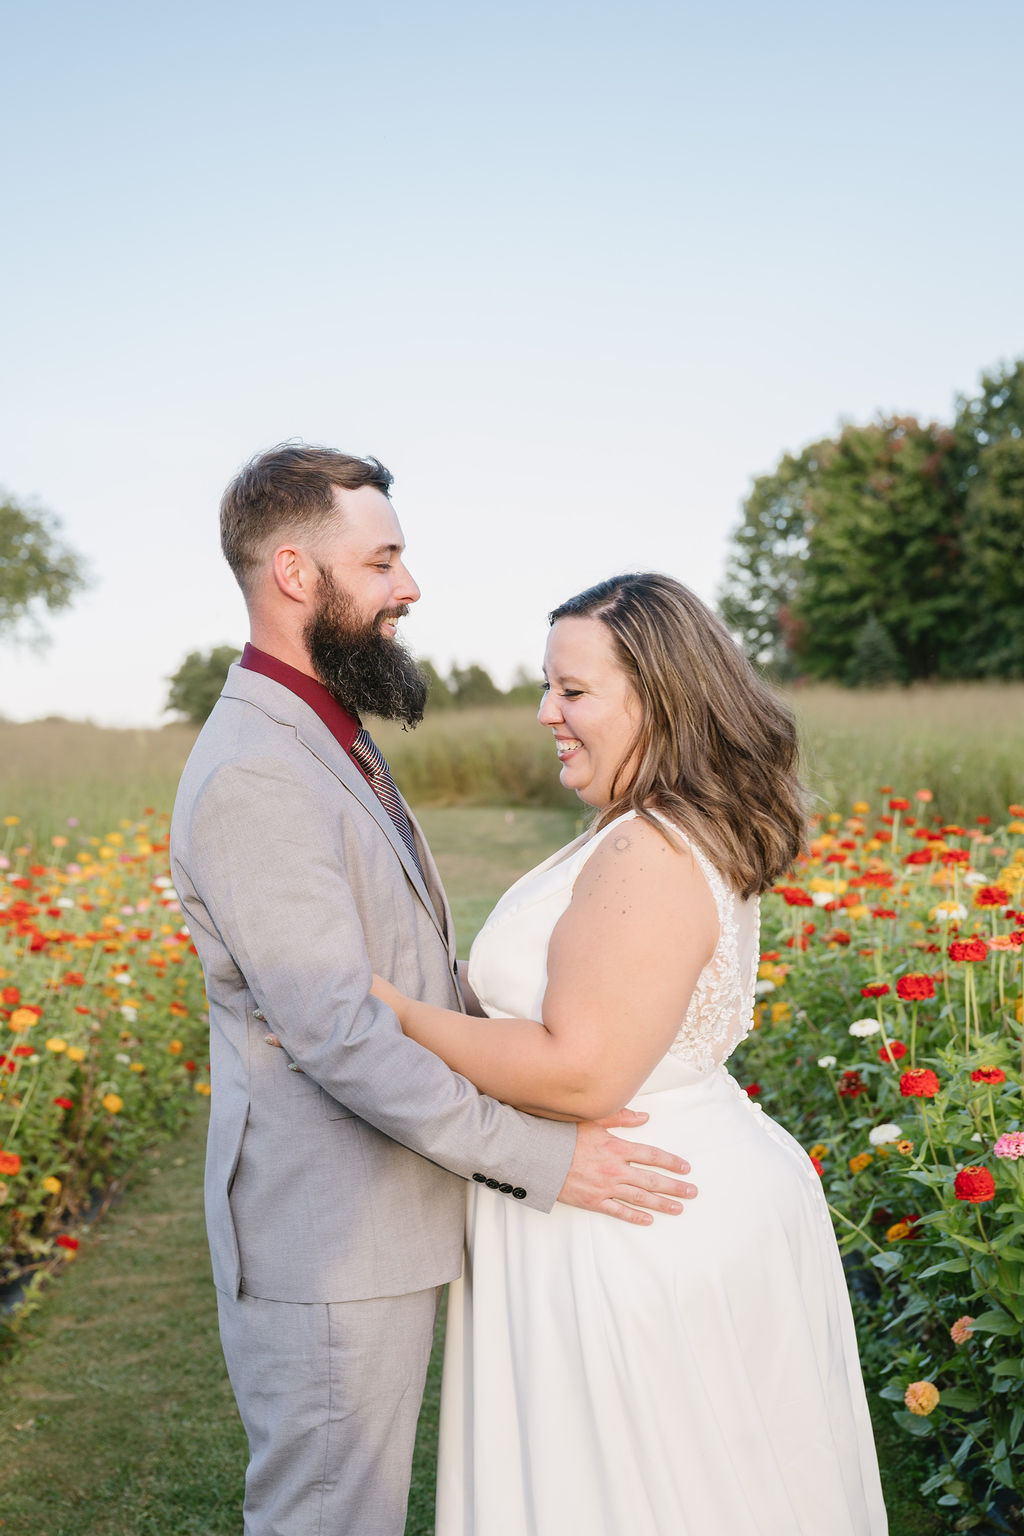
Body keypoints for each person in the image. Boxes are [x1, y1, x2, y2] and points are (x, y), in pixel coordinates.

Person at [169, 448, 696, 1536]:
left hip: (384, 1222)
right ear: (295, 573)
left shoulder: (324, 730)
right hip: (328, 1243)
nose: (409, 587)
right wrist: (543, 1159)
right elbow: (341, 1035)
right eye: (384, 560)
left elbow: (409, 975)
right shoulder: (258, 770)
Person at [371, 572, 889, 1535]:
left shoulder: (647, 847)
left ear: (659, 696)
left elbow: (583, 1072)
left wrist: (389, 1010)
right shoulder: (651, 826)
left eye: (572, 691)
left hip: (630, 1217)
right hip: (646, 1190)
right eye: (546, 687)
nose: (544, 714)